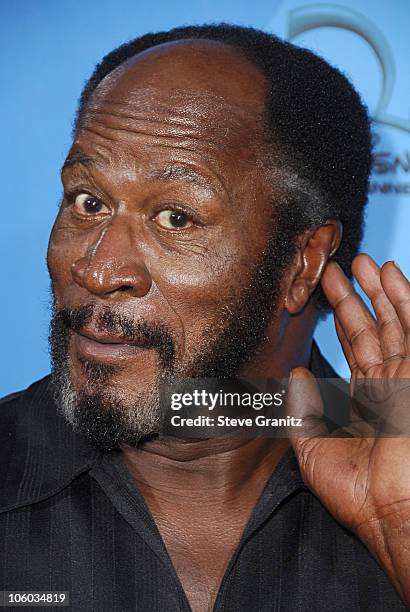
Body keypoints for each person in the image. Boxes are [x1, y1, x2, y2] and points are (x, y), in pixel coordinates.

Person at [1, 23, 409, 611]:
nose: (97, 269)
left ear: (301, 264)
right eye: (88, 203)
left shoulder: (395, 473)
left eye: (175, 218)